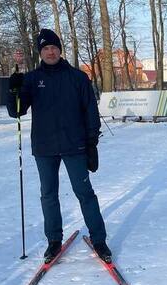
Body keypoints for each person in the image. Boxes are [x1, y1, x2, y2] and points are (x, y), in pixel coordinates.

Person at [7, 29, 111, 263]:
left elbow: (90, 111)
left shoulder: (77, 77)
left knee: (85, 193)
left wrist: (91, 142)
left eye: (53, 47)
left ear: (60, 49)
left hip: (74, 146)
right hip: (44, 148)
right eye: (45, 49)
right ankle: (54, 241)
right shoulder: (32, 80)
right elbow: (16, 110)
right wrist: (13, 88)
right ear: (40, 53)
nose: (50, 52)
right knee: (48, 195)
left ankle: (99, 239)